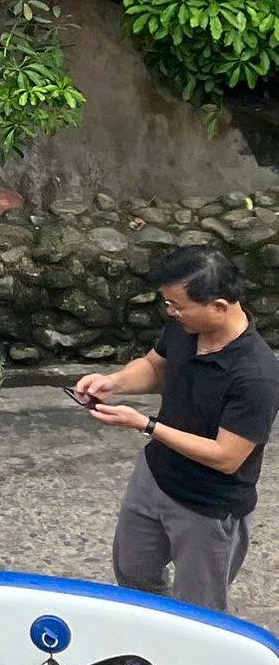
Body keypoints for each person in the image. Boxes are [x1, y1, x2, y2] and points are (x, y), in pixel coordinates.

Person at [77, 245, 279, 614]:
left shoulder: (256, 376)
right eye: (167, 303)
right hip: (155, 477)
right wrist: (114, 382)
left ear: (219, 306)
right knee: (134, 573)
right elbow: (157, 368)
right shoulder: (185, 327)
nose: (170, 312)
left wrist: (146, 425)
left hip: (209, 506)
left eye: (177, 305)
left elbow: (227, 457)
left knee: (198, 609)